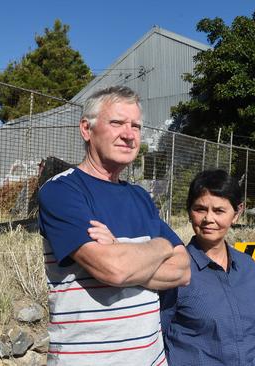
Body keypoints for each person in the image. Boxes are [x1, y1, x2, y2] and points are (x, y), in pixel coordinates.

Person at [38, 85, 191, 365]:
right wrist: (160, 246)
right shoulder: (62, 191)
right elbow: (113, 269)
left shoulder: (140, 197)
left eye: (136, 126)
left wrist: (120, 249)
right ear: (86, 129)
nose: (129, 134)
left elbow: (182, 270)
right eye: (117, 123)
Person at [159, 169, 255, 365]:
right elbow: (155, 338)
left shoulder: (248, 268)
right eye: (200, 209)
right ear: (189, 212)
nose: (208, 219)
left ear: (237, 213)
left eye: (219, 211)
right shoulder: (176, 271)